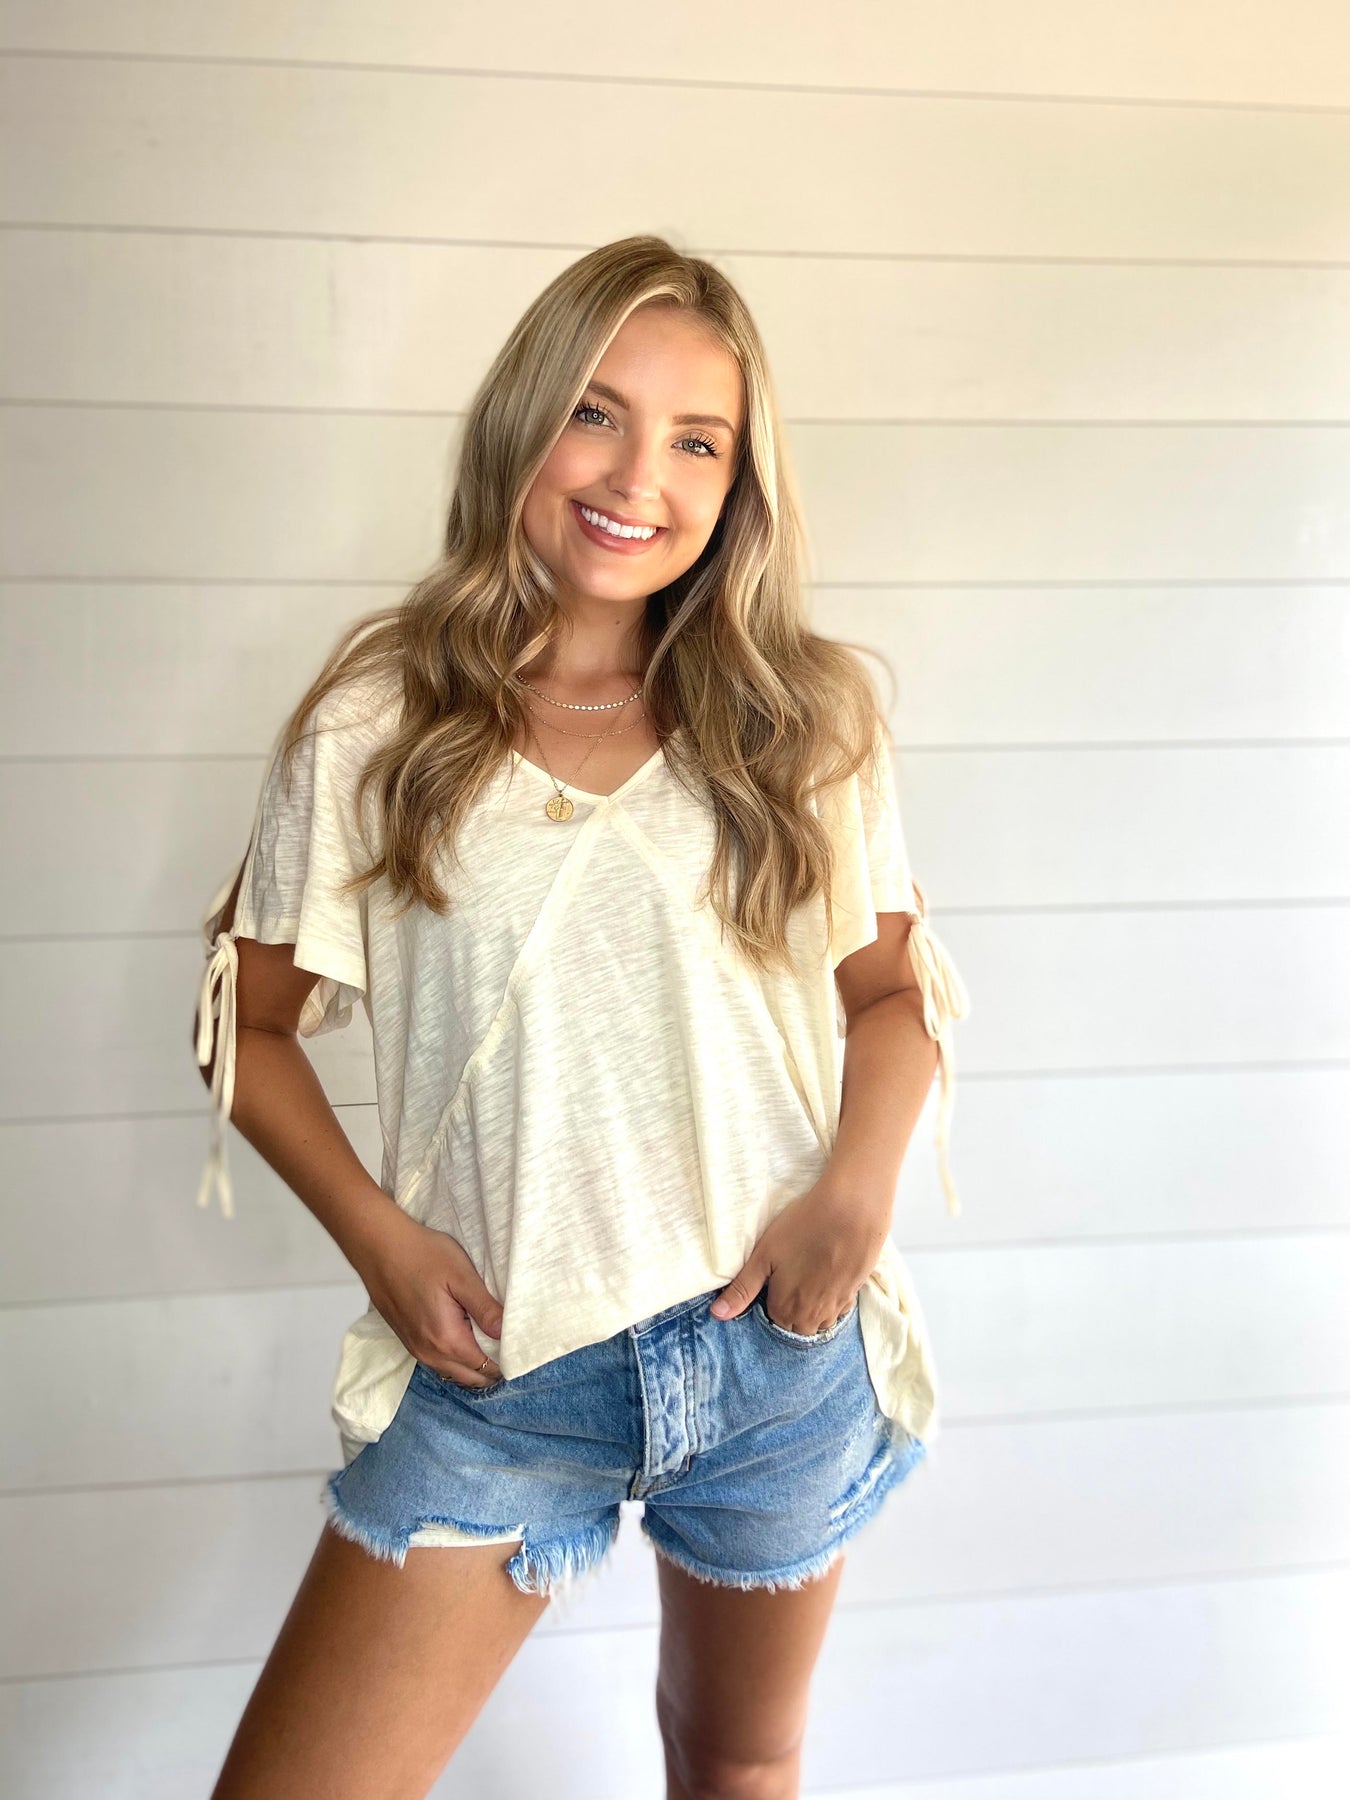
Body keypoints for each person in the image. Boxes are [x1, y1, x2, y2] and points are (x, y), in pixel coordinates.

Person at [193, 234, 970, 1800]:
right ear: (523, 424)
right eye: (596, 415)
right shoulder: (377, 721)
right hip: (500, 1380)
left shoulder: (802, 719)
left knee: (735, 1762)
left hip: (774, 1356)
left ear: (737, 485)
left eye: (697, 441)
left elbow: (890, 995)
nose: (637, 477)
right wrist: (381, 1245)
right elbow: (244, 1027)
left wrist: (853, 1200)